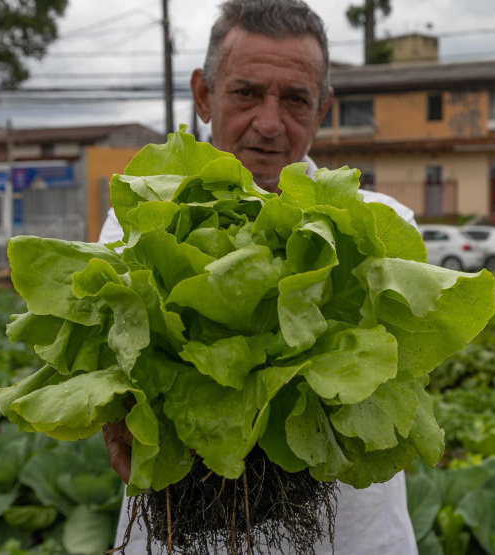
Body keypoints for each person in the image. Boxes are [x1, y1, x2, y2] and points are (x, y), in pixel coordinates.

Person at [99, 1, 419, 553]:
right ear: (203, 95)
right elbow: (106, 360)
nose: (270, 125)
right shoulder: (136, 218)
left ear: (322, 109)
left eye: (295, 99)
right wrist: (115, 404)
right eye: (246, 93)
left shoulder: (378, 226)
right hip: (180, 533)